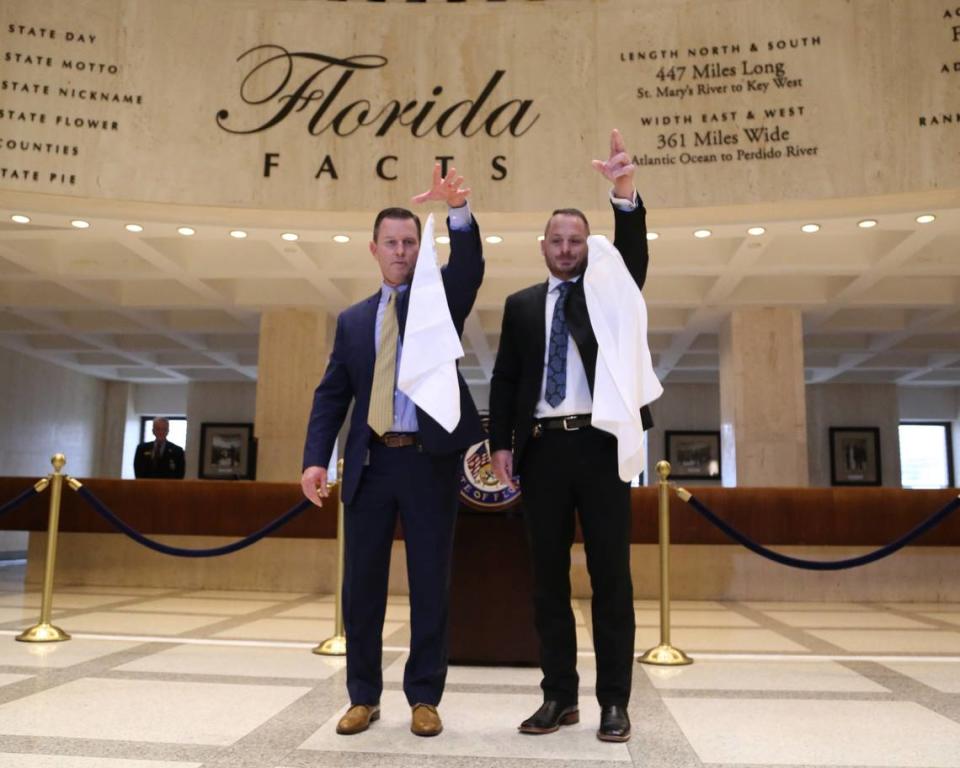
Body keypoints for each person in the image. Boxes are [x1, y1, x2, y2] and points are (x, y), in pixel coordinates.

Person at [300, 164, 484, 738]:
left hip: (428, 463)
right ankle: (363, 695)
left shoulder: (438, 301)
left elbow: (470, 270)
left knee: (431, 581)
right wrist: (314, 457)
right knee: (362, 588)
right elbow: (333, 394)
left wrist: (457, 215)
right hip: (370, 465)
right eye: (393, 243)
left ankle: (424, 696)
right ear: (373, 250)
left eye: (410, 243)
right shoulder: (353, 320)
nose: (401, 251)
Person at [489, 129, 653, 743]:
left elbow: (633, 261)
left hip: (602, 445)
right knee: (546, 580)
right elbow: (505, 376)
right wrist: (501, 442)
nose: (565, 249)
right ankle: (559, 696)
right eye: (556, 241)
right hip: (543, 451)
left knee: (612, 577)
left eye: (575, 240)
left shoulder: (607, 291)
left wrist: (624, 194)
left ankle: (615, 701)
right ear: (542, 247)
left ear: (589, 246)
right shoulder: (521, 305)